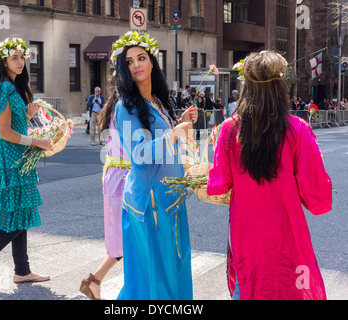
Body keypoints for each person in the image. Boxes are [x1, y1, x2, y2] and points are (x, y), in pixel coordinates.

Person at [207, 50, 332, 300]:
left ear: (246, 87)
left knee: (249, 286)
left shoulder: (230, 130)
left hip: (247, 232)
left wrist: (218, 155)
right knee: (289, 287)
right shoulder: (298, 129)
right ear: (280, 86)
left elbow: (219, 185)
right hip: (286, 231)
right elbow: (318, 197)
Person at [110, 31, 197, 300]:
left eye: (141, 58)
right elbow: (139, 154)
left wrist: (177, 122)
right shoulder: (126, 106)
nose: (136, 64)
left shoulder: (157, 102)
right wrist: (174, 133)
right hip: (151, 205)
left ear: (152, 63)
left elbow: (162, 142)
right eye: (129, 61)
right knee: (151, 278)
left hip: (171, 198)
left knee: (175, 268)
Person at [0, 37, 53, 287]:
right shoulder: (4, 88)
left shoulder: (13, 87)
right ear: (3, 61)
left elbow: (14, 122)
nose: (20, 61)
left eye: (22, 57)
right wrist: (38, 142)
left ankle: (22, 270)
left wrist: (30, 112)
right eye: (14, 57)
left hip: (16, 160)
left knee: (21, 212)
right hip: (10, 162)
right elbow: (4, 132)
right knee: (16, 217)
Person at [79, 79, 130, 300]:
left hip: (114, 175)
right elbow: (137, 149)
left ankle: (95, 280)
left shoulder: (112, 107)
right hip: (124, 178)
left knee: (121, 236)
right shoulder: (126, 109)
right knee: (129, 236)